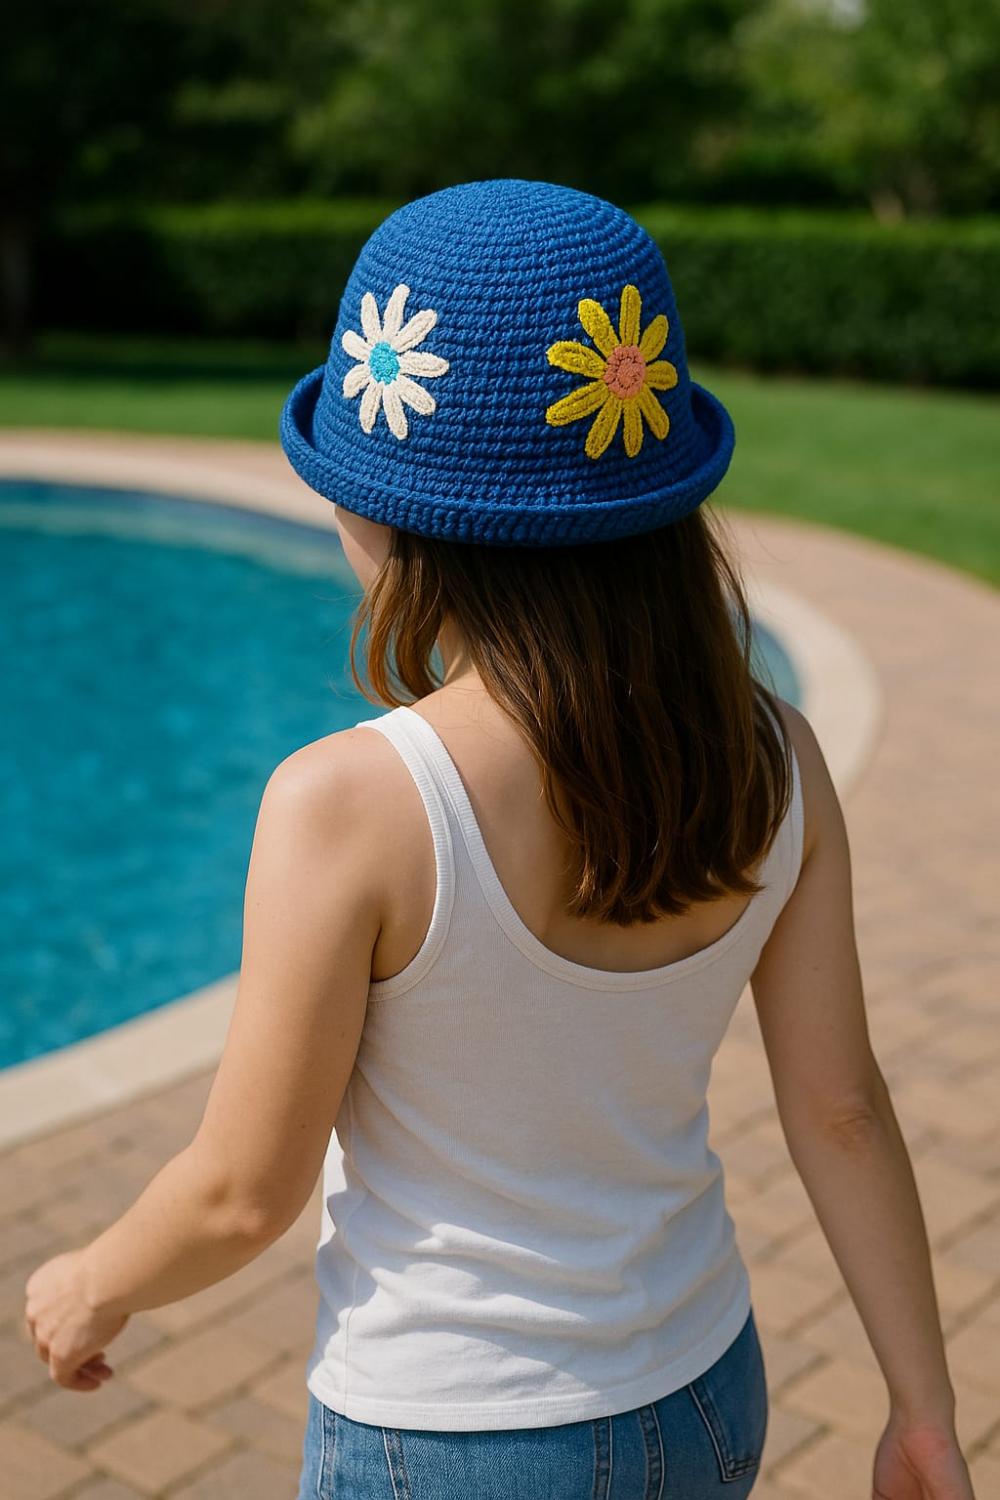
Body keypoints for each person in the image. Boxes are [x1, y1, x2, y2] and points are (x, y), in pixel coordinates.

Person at [23, 180, 974, 1500]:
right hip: (703, 1388)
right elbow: (843, 1109)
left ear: (402, 523)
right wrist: (922, 1409)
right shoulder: (776, 760)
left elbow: (242, 1190)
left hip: (455, 1439)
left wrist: (89, 1282)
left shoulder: (353, 804)